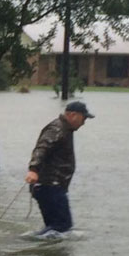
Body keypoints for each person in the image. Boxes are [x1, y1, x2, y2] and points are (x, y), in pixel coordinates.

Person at [25, 99, 94, 238]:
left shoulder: (65, 129)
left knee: (55, 228)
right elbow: (42, 148)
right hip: (50, 186)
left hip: (49, 186)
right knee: (63, 227)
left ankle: (42, 249)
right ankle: (31, 244)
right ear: (73, 115)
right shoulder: (58, 128)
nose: (84, 122)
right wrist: (33, 169)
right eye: (83, 118)